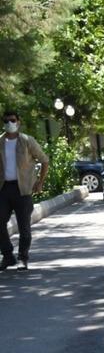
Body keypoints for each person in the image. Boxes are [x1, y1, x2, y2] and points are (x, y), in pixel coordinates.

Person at [0, 110, 50, 271]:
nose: (10, 123)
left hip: (23, 189)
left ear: (18, 121)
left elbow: (44, 160)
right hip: (4, 188)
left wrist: (40, 182)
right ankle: (8, 256)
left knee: (24, 226)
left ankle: (23, 258)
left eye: (13, 120)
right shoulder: (0, 142)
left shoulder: (27, 141)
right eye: (6, 121)